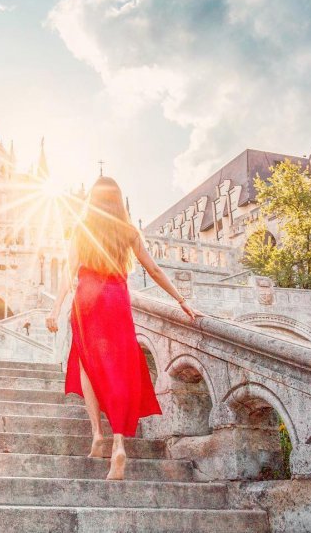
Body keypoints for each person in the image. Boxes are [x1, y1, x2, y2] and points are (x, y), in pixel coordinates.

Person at [45, 175, 203, 481]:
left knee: (86, 363)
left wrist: (55, 308)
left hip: (87, 300)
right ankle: (119, 443)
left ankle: (96, 435)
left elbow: (69, 273)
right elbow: (154, 269)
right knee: (118, 367)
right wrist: (181, 300)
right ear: (118, 201)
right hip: (116, 299)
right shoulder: (129, 231)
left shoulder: (81, 228)